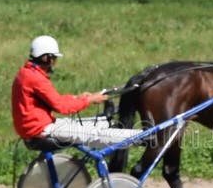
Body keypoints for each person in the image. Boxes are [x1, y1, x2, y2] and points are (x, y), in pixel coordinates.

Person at [11, 35, 141, 149]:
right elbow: (61, 107)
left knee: (85, 124)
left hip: (36, 126)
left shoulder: (26, 73)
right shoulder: (36, 78)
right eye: (54, 58)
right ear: (47, 58)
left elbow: (54, 100)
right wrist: (89, 100)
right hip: (41, 129)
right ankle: (144, 138)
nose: (54, 62)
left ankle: (107, 122)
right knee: (96, 135)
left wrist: (76, 98)